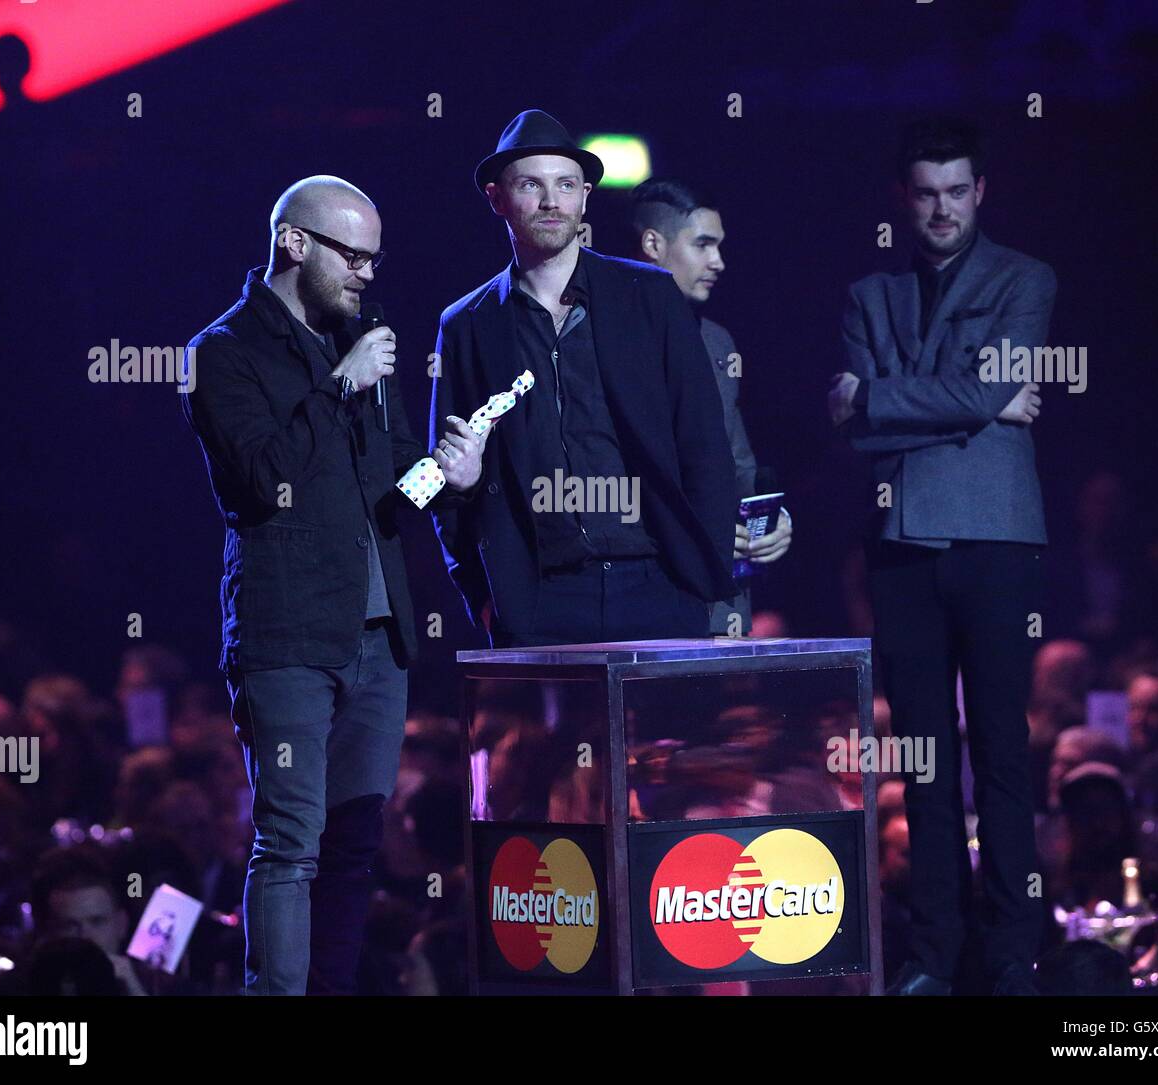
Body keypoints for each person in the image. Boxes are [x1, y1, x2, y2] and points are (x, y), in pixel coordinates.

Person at [181, 176, 488, 994]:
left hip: (380, 638)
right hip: (289, 637)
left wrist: (449, 474)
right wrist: (337, 384)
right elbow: (258, 480)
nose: (367, 275)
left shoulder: (365, 338)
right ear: (295, 244)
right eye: (353, 255)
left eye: (374, 259)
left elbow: (389, 490)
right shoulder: (225, 350)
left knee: (355, 840)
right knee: (292, 840)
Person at [830, 118, 1056, 996]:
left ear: (980, 192)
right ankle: (933, 953)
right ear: (904, 197)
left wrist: (884, 397)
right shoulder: (867, 295)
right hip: (901, 542)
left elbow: (990, 382)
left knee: (1001, 749)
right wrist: (981, 402)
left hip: (997, 536)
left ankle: (1008, 955)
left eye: (956, 191)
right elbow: (975, 396)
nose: (942, 209)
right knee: (922, 756)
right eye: (926, 192)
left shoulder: (1027, 277)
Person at [430, 110, 736, 647]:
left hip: (658, 584)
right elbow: (446, 473)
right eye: (532, 185)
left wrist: (701, 575)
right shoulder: (467, 324)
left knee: (668, 735)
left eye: (566, 185)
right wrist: (483, 595)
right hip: (540, 600)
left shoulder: (650, 296)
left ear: (586, 197)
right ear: (497, 197)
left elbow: (704, 443)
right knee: (553, 736)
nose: (552, 202)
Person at [630, 178, 792, 636]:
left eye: (719, 246)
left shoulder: (718, 342)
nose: (718, 262)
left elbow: (738, 462)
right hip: (638, 588)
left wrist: (771, 522)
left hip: (718, 595)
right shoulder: (599, 336)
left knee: (705, 707)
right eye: (703, 245)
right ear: (653, 244)